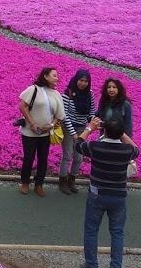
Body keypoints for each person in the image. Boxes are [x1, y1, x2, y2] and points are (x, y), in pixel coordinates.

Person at [80, 113, 139, 268]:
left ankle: (91, 265)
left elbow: (78, 144)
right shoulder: (127, 151)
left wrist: (89, 128)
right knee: (117, 232)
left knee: (91, 230)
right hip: (118, 196)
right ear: (121, 133)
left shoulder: (95, 147)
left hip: (97, 194)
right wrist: (122, 133)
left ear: (104, 131)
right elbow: (137, 149)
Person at [17, 67, 64, 197]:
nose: (57, 78)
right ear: (45, 76)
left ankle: (39, 184)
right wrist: (32, 123)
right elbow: (22, 106)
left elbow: (59, 116)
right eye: (54, 75)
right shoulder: (33, 89)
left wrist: (51, 126)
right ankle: (25, 182)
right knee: (28, 158)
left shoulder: (56, 94)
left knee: (43, 159)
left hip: (45, 133)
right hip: (29, 132)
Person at [58, 69, 93, 194]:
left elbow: (91, 112)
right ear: (76, 79)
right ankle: (62, 181)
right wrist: (72, 132)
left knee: (79, 157)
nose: (83, 83)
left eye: (85, 81)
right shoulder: (67, 93)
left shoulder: (90, 94)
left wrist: (92, 124)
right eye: (81, 80)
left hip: (82, 128)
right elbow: (64, 115)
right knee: (67, 155)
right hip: (68, 128)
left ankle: (71, 180)